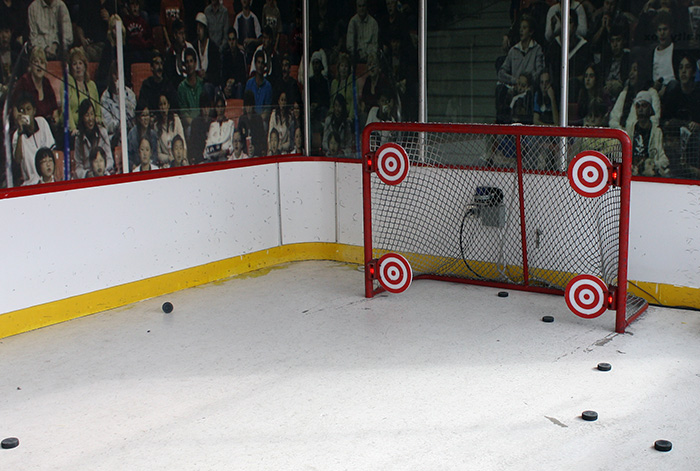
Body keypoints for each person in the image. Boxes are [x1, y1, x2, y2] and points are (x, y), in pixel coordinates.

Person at [11, 92, 55, 185]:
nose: (25, 113)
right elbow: (18, 160)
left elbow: (52, 150)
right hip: (30, 183)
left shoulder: (42, 122)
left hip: (48, 179)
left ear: (34, 111)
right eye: (22, 110)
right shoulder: (16, 135)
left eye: (28, 109)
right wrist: (20, 133)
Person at [12, 47, 58, 127]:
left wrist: (55, 119)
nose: (39, 65)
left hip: (45, 128)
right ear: (30, 65)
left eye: (42, 62)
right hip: (27, 128)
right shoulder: (24, 82)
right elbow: (14, 108)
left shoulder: (46, 83)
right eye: (36, 62)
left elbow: (55, 110)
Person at [627, 90, 670, 176]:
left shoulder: (657, 131)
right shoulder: (630, 130)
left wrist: (653, 164)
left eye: (644, 105)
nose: (640, 109)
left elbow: (664, 159)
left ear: (650, 108)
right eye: (638, 106)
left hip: (650, 172)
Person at [74, 99, 114, 179]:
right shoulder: (78, 139)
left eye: (92, 114)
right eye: (87, 115)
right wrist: (86, 174)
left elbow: (110, 160)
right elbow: (78, 167)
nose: (90, 118)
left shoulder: (102, 132)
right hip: (88, 178)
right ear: (82, 118)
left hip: (103, 174)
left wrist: (100, 170)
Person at [100, 62, 137, 145]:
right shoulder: (105, 97)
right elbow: (108, 125)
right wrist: (119, 125)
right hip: (114, 135)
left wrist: (121, 97)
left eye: (119, 74)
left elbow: (132, 115)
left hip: (130, 131)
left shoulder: (129, 94)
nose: (117, 77)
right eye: (115, 74)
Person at [68, 46, 101, 133]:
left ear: (85, 66)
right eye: (74, 64)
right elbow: (66, 110)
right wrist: (73, 129)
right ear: (71, 68)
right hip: (75, 129)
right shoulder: (67, 85)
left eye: (80, 63)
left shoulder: (92, 85)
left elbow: (98, 111)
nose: (78, 67)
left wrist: (98, 119)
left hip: (91, 126)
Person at [155, 92, 186, 167]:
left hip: (180, 160)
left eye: (164, 104)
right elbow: (158, 153)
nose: (163, 107)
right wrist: (169, 158)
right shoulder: (156, 126)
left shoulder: (176, 119)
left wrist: (184, 159)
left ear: (168, 105)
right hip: (166, 163)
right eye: (160, 105)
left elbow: (183, 143)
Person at [177, 47, 205, 129]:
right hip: (190, 126)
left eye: (191, 61)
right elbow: (184, 113)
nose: (189, 65)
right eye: (187, 62)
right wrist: (195, 125)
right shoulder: (181, 87)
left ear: (195, 63)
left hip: (203, 123)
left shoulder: (202, 83)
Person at [165, 19, 196, 86]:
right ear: (175, 35)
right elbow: (169, 77)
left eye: (184, 33)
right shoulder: (170, 53)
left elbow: (196, 68)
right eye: (180, 33)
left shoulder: (189, 47)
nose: (183, 37)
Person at [244, 49, 273, 123]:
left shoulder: (268, 86)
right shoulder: (249, 83)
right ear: (255, 64)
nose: (260, 65)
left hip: (261, 121)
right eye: (258, 62)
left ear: (264, 66)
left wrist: (258, 120)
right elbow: (246, 106)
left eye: (262, 63)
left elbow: (267, 110)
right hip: (250, 118)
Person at [204, 93, 235, 161]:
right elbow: (208, 145)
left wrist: (225, 151)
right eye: (218, 107)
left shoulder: (230, 123)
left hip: (226, 157)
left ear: (224, 107)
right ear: (215, 108)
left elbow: (232, 145)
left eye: (221, 107)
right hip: (213, 157)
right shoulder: (212, 125)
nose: (220, 110)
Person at [194, 12, 221, 88]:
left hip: (210, 84)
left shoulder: (213, 48)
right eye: (197, 27)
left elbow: (217, 75)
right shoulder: (194, 46)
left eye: (201, 27)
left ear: (205, 29)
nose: (198, 30)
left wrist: (206, 76)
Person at [127, 103, 157, 170]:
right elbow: (128, 156)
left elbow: (155, 156)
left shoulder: (153, 134)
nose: (146, 118)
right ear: (138, 117)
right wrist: (133, 166)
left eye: (147, 115)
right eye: (143, 115)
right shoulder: (132, 134)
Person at [237, 89, 266, 157]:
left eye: (250, 105)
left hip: (256, 153)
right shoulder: (242, 119)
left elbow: (262, 140)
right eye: (247, 106)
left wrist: (255, 148)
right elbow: (240, 138)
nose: (248, 108)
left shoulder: (258, 118)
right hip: (244, 154)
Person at [221, 26, 247, 99]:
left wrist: (234, 80)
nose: (232, 43)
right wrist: (225, 87)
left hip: (237, 86)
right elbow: (222, 76)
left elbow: (243, 77)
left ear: (236, 40)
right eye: (229, 40)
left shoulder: (241, 56)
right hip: (228, 87)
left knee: (239, 86)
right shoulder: (225, 56)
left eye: (233, 39)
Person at [329, 52, 354, 119]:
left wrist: (350, 117)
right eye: (342, 65)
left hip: (348, 116)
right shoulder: (334, 83)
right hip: (336, 115)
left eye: (346, 66)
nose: (343, 68)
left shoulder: (352, 81)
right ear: (338, 67)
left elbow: (354, 102)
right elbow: (332, 103)